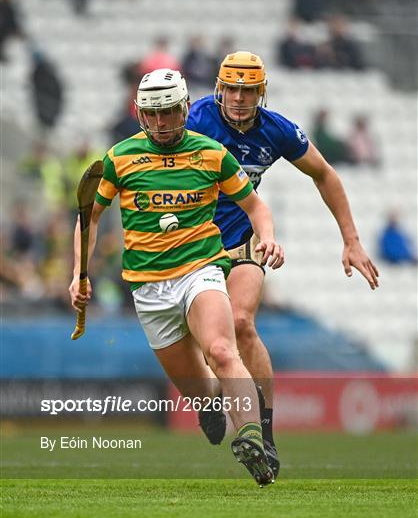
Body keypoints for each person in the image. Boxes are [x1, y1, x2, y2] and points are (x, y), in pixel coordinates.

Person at [69, 68, 285, 486]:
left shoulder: (212, 154)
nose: (161, 123)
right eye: (152, 114)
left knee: (224, 350)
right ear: (139, 114)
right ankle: (209, 407)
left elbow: (256, 207)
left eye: (169, 112)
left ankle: (253, 439)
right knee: (200, 393)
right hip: (149, 288)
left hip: (200, 270)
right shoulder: (119, 158)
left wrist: (269, 238)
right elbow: (89, 219)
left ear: (185, 108)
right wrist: (78, 274)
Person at [186, 51, 380, 478]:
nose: (238, 98)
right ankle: (209, 395)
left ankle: (266, 439)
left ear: (261, 92)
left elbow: (325, 174)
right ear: (220, 89)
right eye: (232, 88)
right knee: (207, 343)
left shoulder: (276, 130)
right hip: (191, 245)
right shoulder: (194, 119)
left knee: (240, 324)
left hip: (244, 239)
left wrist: (351, 240)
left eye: (248, 90)